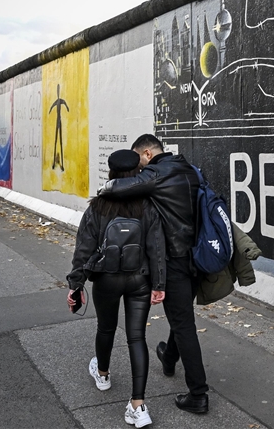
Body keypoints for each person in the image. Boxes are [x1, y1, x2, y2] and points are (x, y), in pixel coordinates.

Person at [97, 134, 209, 414]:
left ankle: (198, 394)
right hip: (195, 256)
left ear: (147, 153)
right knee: (180, 315)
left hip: (172, 260)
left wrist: (105, 186)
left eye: (139, 159)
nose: (138, 165)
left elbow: (117, 188)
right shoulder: (189, 169)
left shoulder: (156, 173)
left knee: (183, 325)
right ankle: (169, 357)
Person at [67, 149, 166, 428]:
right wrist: (159, 284)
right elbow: (156, 247)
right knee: (137, 338)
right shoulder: (147, 204)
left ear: (110, 172)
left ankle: (103, 374)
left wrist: (76, 283)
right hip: (140, 278)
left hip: (106, 278)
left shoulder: (98, 205)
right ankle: (138, 405)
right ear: (138, 172)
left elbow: (84, 247)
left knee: (106, 328)